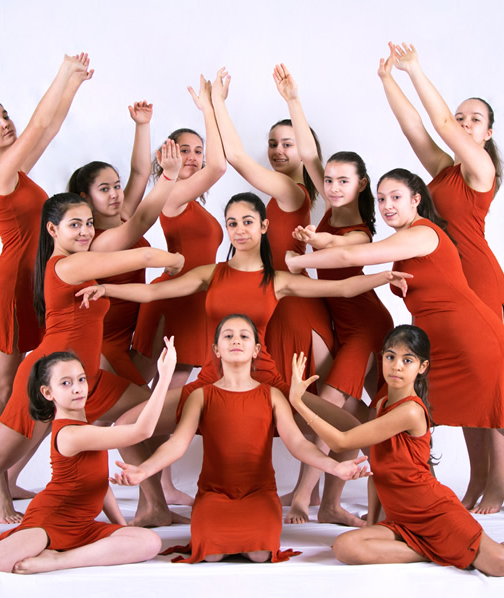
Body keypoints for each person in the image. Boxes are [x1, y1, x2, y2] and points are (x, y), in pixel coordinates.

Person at [0, 172, 186, 546]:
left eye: (89, 223)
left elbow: (137, 236)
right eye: (75, 225)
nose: (86, 232)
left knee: (145, 409)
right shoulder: (67, 266)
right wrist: (175, 259)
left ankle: (153, 506)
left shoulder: (81, 261)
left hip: (86, 378)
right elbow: (144, 255)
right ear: (53, 230)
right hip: (48, 378)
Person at [286, 169, 504, 530]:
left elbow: (351, 256)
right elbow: (346, 249)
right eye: (382, 199)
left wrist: (295, 263)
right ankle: (416, 504)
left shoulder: (422, 233)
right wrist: (319, 241)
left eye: (396, 197)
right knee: (392, 417)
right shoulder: (405, 238)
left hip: (471, 340)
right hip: (433, 347)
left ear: (416, 200)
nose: (387, 205)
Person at [77, 192, 409, 528]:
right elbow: (152, 292)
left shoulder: (276, 279)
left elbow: (342, 289)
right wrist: (107, 290)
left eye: (247, 222)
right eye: (232, 223)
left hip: (266, 382)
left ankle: (332, 506)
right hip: (212, 381)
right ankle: (155, 507)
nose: (239, 230)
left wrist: (382, 276)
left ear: (264, 226)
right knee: (127, 425)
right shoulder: (211, 274)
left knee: (351, 429)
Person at [286, 327, 504, 574]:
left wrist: (299, 403)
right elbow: (377, 474)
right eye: (390, 357)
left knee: (503, 564)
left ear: (422, 367)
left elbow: (341, 441)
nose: (396, 366)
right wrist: (373, 522)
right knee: (345, 548)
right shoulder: (383, 404)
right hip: (400, 520)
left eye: (407, 360)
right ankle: (437, 551)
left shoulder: (409, 411)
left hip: (432, 512)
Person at [110, 315, 370, 563]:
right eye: (228, 336)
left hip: (259, 495)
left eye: (244, 336)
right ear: (216, 349)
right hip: (214, 495)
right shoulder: (200, 396)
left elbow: (299, 443)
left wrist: (335, 467)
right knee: (210, 554)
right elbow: (176, 444)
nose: (236, 340)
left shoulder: (272, 396)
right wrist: (144, 470)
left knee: (259, 554)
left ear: (256, 350)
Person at [379, 42, 504, 513]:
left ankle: (499, 480)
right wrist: (388, 80)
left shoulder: (481, 169)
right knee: (466, 391)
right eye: (460, 117)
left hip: (480, 282)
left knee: (494, 390)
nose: (463, 123)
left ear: (488, 133)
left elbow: (437, 123)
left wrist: (414, 68)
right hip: (448, 285)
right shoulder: (443, 171)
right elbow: (416, 128)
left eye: (474, 119)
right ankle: (478, 477)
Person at [0, 53, 93, 522]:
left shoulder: (15, 172)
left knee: (33, 387)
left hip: (32, 290)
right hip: (5, 292)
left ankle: (10, 476)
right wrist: (62, 73)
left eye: (5, 116)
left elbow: (48, 128)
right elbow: (39, 125)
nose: (6, 124)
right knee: (0, 389)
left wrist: (75, 84)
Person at [274, 63, 395, 523]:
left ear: (361, 184)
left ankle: (306, 496)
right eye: (329, 180)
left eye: (344, 181)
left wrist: (313, 245)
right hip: (338, 323)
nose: (333, 187)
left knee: (329, 403)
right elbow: (308, 154)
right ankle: (332, 501)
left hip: (364, 325)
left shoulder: (361, 229)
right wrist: (293, 100)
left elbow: (342, 252)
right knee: (368, 413)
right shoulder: (328, 202)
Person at [0, 344, 177, 575]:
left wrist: (119, 527)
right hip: (51, 519)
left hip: (83, 526)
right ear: (48, 393)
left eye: (81, 379)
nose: (77, 388)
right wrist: (164, 378)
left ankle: (60, 559)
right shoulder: (70, 434)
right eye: (65, 383)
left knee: (150, 542)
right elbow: (142, 431)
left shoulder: (85, 428)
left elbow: (97, 484)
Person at [209, 67, 335, 410]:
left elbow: (236, 158)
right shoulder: (285, 193)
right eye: (272, 144)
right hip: (279, 297)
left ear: (303, 150)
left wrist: (218, 103)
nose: (278, 151)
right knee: (299, 403)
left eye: (287, 144)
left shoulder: (289, 190)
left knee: (302, 402)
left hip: (292, 303)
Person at [132, 75, 227, 388]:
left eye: (199, 151)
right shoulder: (171, 193)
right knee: (137, 383)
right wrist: (209, 108)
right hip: (173, 297)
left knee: (173, 391)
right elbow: (219, 166)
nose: (194, 157)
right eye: (184, 150)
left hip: (196, 300)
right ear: (167, 155)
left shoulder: (193, 203)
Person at [65, 100, 161, 387]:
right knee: (132, 402)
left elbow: (140, 172)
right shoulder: (96, 240)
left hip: (130, 332)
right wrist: (168, 176)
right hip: (105, 338)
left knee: (130, 403)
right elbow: (142, 221)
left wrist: (142, 125)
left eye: (117, 186)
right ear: (85, 198)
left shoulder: (123, 216)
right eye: (104, 189)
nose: (115, 194)